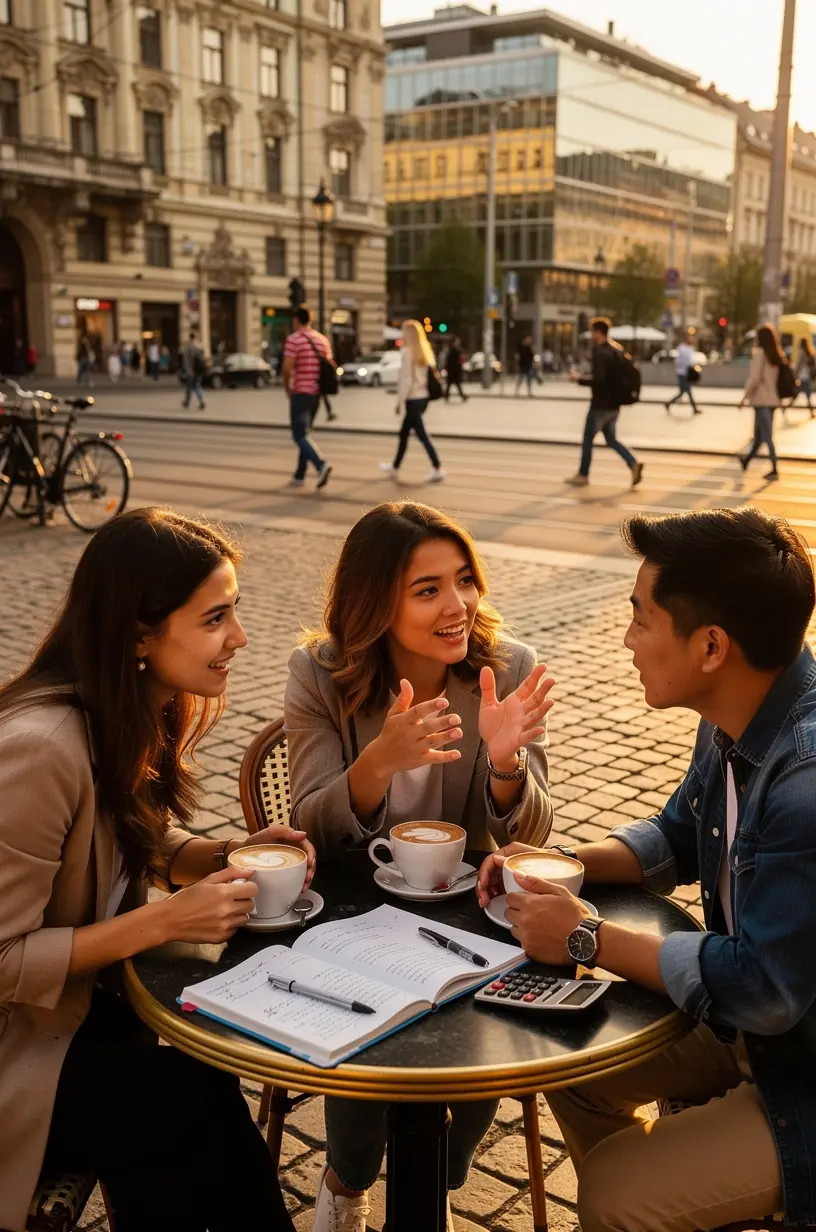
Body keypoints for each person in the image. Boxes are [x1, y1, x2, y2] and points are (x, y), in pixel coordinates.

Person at [477, 505, 816, 1232]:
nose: (626, 639)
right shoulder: (739, 714)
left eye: (639, 618)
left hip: (801, 1071)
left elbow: (764, 988)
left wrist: (587, 938)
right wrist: (558, 863)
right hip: (760, 1035)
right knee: (572, 1067)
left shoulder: (805, 781)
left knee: (613, 1194)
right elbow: (676, 835)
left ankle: (640, 1206)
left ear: (711, 647)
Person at [0, 507, 315, 1232]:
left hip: (81, 1020)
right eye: (214, 619)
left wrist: (215, 857)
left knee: (190, 1092)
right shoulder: (39, 748)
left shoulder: (132, 706)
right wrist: (162, 920)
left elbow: (125, 839)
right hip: (19, 1051)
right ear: (138, 633)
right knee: (189, 1100)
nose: (238, 637)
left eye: (233, 612)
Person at [284, 500, 554, 1232]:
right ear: (375, 602)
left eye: (464, 580)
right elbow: (306, 820)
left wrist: (503, 765)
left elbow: (533, 832)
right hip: (350, 912)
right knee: (361, 1015)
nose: (458, 604)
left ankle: (430, 1172)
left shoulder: (506, 667)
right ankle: (346, 1181)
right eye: (427, 588)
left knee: (452, 1123)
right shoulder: (320, 674)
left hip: (467, 921)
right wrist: (377, 763)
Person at [566, 317, 643, 488]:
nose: (591, 335)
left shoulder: (601, 353)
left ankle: (583, 474)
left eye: (592, 331)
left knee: (587, 439)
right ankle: (633, 463)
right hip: (614, 405)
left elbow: (598, 380)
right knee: (611, 440)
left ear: (598, 332)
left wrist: (578, 379)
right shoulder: (617, 350)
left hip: (600, 405)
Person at [380, 319, 445, 483]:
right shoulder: (425, 351)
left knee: (421, 435)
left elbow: (406, 380)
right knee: (404, 434)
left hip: (412, 399)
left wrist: (399, 402)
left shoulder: (407, 352)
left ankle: (437, 467)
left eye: (403, 331)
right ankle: (394, 467)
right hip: (423, 398)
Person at [282, 305, 333, 491]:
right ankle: (299, 475)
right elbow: (328, 367)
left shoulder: (294, 340)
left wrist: (287, 388)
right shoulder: (322, 340)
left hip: (300, 393)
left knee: (299, 435)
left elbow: (287, 368)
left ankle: (321, 464)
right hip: (316, 395)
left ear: (296, 319)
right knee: (306, 434)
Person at [737, 321, 783, 481]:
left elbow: (754, 379)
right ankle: (746, 460)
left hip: (761, 399)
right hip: (773, 400)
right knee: (758, 435)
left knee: (767, 435)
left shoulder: (760, 354)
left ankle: (775, 468)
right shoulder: (776, 355)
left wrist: (745, 398)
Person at [664, 332, 700, 415]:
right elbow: (685, 361)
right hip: (682, 373)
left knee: (683, 392)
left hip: (685, 373)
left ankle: (668, 403)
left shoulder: (688, 349)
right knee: (686, 391)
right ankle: (694, 408)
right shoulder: (682, 349)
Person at [180, 330, 206, 411]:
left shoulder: (188, 347)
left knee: (189, 387)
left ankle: (187, 402)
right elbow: (203, 359)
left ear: (189, 338)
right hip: (200, 370)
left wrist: (189, 370)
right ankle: (201, 401)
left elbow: (186, 361)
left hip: (191, 371)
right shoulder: (200, 346)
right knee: (197, 386)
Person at [792, 336, 815, 416]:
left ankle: (787, 406)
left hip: (802, 376)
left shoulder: (802, 352)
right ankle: (811, 412)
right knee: (806, 395)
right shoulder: (810, 352)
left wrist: (794, 375)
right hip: (807, 376)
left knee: (797, 393)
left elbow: (798, 365)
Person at [444, 336, 468, 403]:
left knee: (451, 384)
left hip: (451, 369)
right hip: (455, 370)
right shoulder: (456, 350)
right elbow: (458, 360)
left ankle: (447, 395)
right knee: (456, 383)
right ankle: (462, 396)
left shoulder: (450, 349)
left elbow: (448, 360)